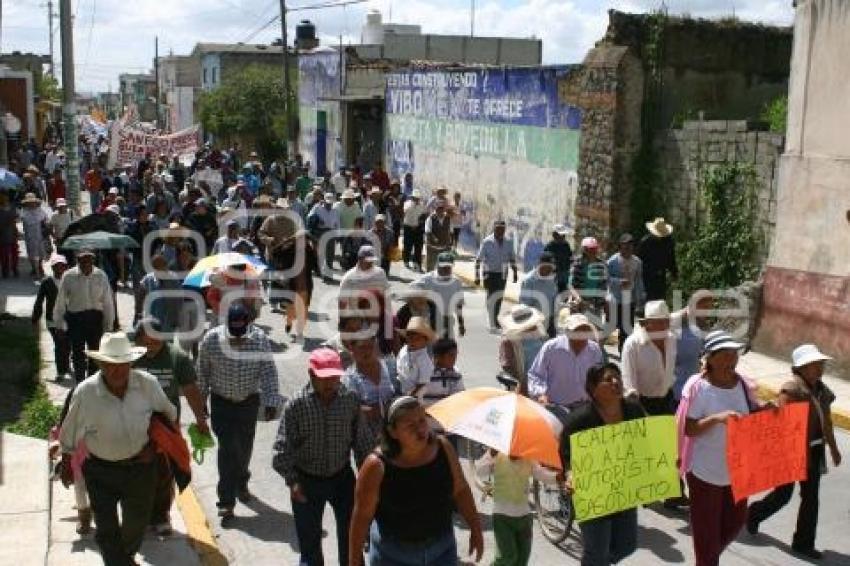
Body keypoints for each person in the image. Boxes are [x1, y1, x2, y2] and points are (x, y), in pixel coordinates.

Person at [58, 333, 177, 566]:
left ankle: (124, 559)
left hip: (141, 468)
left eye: (122, 365)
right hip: (101, 471)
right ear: (101, 364)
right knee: (106, 531)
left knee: (136, 525)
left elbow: (168, 416)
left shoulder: (147, 385)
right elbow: (69, 431)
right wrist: (66, 465)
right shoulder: (85, 393)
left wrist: (154, 448)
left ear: (130, 363)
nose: (117, 371)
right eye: (110, 365)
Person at [348, 396, 484, 566]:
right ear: (393, 432)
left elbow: (461, 490)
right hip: (392, 556)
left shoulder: (443, 448)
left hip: (442, 551)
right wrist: (354, 561)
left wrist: (476, 529)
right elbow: (361, 516)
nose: (420, 429)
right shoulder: (376, 467)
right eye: (410, 425)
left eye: (422, 420)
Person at [272, 348, 371, 566]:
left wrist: (368, 480)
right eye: (324, 378)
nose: (330, 384)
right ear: (311, 374)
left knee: (352, 539)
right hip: (306, 481)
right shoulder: (296, 406)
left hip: (342, 479)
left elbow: (362, 444)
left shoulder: (350, 400)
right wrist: (293, 482)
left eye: (334, 378)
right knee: (310, 545)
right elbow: (281, 450)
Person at [747, 344, 842, 560]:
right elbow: (781, 424)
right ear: (801, 367)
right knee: (783, 495)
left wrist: (834, 449)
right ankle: (753, 514)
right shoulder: (792, 391)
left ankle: (803, 543)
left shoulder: (822, 390)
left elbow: (826, 421)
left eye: (821, 364)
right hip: (791, 452)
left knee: (811, 498)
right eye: (814, 365)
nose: (819, 369)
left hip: (815, 450)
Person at [678, 331, 760, 566]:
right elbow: (690, 429)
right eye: (724, 354)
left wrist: (768, 411)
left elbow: (752, 414)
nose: (731, 360)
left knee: (734, 523)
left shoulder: (743, 384)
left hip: (737, 472)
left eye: (734, 353)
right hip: (705, 472)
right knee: (706, 536)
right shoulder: (699, 387)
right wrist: (717, 418)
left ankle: (707, 560)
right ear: (710, 358)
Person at [197, 304, 281, 520]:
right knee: (226, 448)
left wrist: (271, 401)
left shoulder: (259, 340)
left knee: (243, 448)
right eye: (233, 335)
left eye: (241, 334)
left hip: (248, 402)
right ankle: (226, 501)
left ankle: (241, 480)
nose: (237, 339)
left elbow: (268, 372)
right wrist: (200, 403)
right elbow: (202, 373)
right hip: (221, 402)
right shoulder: (211, 340)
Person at [132, 317, 210, 536]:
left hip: (166, 426)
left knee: (164, 471)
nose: (149, 348)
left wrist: (201, 420)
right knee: (137, 471)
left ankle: (161, 515)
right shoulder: (129, 357)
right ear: (137, 340)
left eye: (155, 343)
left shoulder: (177, 358)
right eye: (144, 343)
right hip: (134, 424)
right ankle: (141, 515)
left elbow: (191, 390)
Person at [561, 363, 644, 566]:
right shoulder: (579, 421)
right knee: (597, 550)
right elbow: (566, 454)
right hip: (592, 493)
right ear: (593, 388)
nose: (615, 382)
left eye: (618, 377)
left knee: (627, 545)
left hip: (624, 490)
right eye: (608, 379)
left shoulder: (633, 410)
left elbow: (647, 441)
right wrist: (570, 474)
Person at [621, 300, 688, 508]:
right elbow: (628, 378)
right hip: (642, 401)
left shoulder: (670, 338)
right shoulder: (633, 344)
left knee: (670, 447)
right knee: (646, 450)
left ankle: (673, 493)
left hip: (665, 398)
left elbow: (685, 313)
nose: (664, 326)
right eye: (659, 323)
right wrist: (635, 402)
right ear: (647, 324)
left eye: (666, 322)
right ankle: (645, 489)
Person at [53, 249, 115, 382]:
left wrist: (109, 325)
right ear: (78, 260)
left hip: (95, 319)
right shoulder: (69, 276)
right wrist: (59, 324)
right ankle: (80, 382)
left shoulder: (100, 275)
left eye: (89, 259)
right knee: (78, 353)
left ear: (93, 260)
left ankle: (92, 381)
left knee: (96, 353)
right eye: (83, 260)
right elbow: (61, 301)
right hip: (76, 319)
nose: (87, 263)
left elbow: (107, 302)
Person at [527, 312, 604, 408]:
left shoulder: (594, 350)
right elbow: (535, 375)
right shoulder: (551, 348)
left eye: (585, 331)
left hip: (586, 405)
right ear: (567, 333)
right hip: (556, 405)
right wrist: (541, 394)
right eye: (577, 332)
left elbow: (599, 377)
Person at [343, 335, 401, 451]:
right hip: (366, 439)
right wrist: (388, 407)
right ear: (352, 349)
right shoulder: (349, 378)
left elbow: (401, 394)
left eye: (370, 346)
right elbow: (354, 410)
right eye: (362, 347)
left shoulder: (390, 365)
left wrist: (375, 409)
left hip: (395, 433)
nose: (367, 351)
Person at [32, 254, 71, 381]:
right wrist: (35, 318)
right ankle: (60, 371)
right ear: (53, 268)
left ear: (66, 267)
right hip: (52, 320)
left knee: (67, 344)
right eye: (56, 266)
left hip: (69, 319)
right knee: (59, 344)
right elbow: (39, 301)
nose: (59, 268)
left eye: (62, 266)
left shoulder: (71, 280)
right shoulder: (47, 282)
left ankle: (65, 364)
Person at [474, 220, 518, 332]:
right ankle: (491, 319)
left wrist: (515, 272)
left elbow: (512, 258)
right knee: (490, 296)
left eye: (502, 229)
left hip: (503, 272)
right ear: (494, 229)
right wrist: (477, 276)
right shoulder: (487, 242)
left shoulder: (509, 242)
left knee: (499, 297)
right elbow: (478, 259)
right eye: (498, 229)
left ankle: (495, 318)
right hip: (489, 272)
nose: (500, 231)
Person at [607, 233, 645, 352]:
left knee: (627, 327)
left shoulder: (637, 262)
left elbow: (639, 280)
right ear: (620, 247)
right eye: (625, 246)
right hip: (616, 298)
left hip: (630, 299)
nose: (627, 249)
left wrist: (640, 298)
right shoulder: (612, 261)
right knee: (613, 324)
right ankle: (599, 344)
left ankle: (623, 350)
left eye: (630, 246)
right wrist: (618, 281)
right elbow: (606, 278)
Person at [672, 292, 714, 401]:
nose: (707, 312)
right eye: (705, 307)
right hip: (673, 376)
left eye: (709, 308)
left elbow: (706, 349)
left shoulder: (703, 324)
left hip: (691, 374)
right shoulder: (673, 320)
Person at [498, 305, 547, 396]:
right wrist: (520, 384)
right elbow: (507, 366)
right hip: (522, 387)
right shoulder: (508, 341)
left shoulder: (539, 334)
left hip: (542, 384)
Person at [416, 252, 466, 339]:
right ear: (438, 265)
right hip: (429, 319)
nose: (446, 269)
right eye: (443, 267)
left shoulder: (456, 282)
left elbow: (459, 305)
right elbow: (412, 290)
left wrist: (461, 324)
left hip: (447, 320)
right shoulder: (427, 279)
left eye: (448, 267)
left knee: (446, 348)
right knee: (431, 348)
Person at [519, 251, 559, 338]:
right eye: (546, 267)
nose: (549, 270)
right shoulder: (529, 280)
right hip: (534, 322)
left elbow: (554, 299)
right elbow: (525, 305)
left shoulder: (552, 279)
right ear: (540, 265)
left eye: (551, 268)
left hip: (550, 321)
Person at [638, 217, 678, 301]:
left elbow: (671, 259)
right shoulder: (645, 243)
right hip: (647, 276)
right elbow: (639, 260)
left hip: (661, 277)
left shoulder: (668, 242)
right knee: (649, 300)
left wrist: (674, 274)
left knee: (660, 300)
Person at [569, 237, 608, 321]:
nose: (592, 251)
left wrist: (603, 303)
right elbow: (571, 285)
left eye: (594, 248)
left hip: (595, 304)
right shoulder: (577, 264)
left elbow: (604, 286)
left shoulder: (601, 265)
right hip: (579, 304)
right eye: (589, 249)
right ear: (584, 250)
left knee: (594, 331)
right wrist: (578, 299)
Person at [397, 316, 437, 397]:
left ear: (425, 341)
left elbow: (422, 383)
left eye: (417, 339)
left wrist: (410, 396)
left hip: (417, 395)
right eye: (410, 338)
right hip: (401, 389)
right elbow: (399, 367)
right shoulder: (403, 350)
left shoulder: (424, 359)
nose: (413, 341)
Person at [420, 337, 465, 408]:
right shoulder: (426, 372)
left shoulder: (456, 374)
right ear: (438, 356)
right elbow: (419, 397)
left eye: (455, 355)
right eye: (451, 356)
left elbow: (459, 395)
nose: (454, 359)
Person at [307, 192, 340, 275]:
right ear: (324, 201)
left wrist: (337, 235)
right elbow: (309, 217)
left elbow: (337, 224)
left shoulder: (335, 211)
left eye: (330, 203)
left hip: (331, 232)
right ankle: (321, 271)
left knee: (330, 254)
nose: (329, 205)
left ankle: (328, 272)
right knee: (321, 253)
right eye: (327, 203)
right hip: (320, 232)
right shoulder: (317, 207)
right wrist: (317, 220)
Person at [20, 192, 49, 277]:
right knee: (32, 253)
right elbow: (25, 222)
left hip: (40, 235)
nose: (31, 203)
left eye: (32, 202)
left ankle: (40, 267)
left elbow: (45, 219)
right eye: (29, 202)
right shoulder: (24, 212)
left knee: (41, 253)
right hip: (30, 236)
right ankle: (34, 268)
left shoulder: (40, 210)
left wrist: (46, 224)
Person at [424, 199, 452, 272]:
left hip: (444, 246)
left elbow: (450, 232)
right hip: (433, 247)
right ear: (435, 209)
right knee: (430, 267)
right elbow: (428, 231)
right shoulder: (430, 218)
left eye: (442, 208)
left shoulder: (448, 218)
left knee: (445, 267)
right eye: (438, 208)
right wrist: (432, 240)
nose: (440, 210)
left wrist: (450, 244)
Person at [402, 189, 426, 271]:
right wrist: (414, 205)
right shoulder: (407, 204)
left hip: (418, 227)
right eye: (415, 198)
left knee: (418, 246)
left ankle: (417, 263)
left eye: (418, 198)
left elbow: (424, 214)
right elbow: (406, 211)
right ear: (412, 198)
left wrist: (421, 222)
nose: (417, 199)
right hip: (408, 226)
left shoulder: (422, 205)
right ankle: (406, 260)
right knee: (407, 245)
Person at [0, 191, 19, 278]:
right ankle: (5, 270)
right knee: (4, 254)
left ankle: (14, 268)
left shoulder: (12, 207)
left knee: (14, 252)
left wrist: (16, 230)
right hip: (2, 233)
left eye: (5, 196)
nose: (4, 198)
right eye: (2, 196)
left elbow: (15, 221)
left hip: (12, 232)